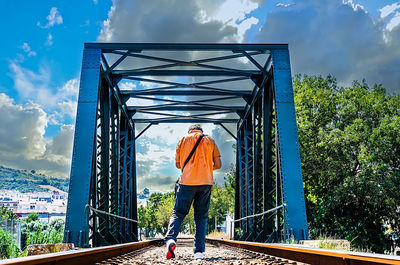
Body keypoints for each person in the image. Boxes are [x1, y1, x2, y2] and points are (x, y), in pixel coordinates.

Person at [164, 124, 221, 260]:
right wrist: (205, 167)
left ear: (189, 131)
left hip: (187, 182)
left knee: (178, 213)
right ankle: (198, 252)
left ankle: (171, 239)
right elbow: (218, 165)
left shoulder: (182, 140)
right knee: (201, 217)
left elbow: (178, 165)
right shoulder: (210, 140)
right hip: (205, 183)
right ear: (201, 130)